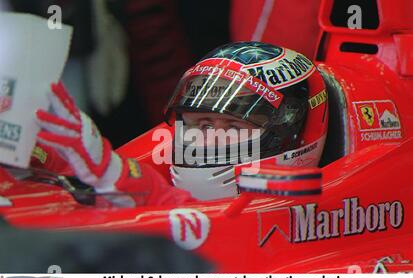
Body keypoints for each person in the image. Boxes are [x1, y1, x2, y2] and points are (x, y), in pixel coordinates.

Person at [32, 41, 328, 206]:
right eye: (202, 125)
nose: (209, 140)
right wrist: (53, 161)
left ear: (290, 130)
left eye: (234, 128)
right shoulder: (173, 199)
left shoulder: (340, 215)